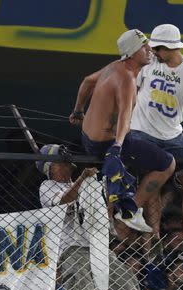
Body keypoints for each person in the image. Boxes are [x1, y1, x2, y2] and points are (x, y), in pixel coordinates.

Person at [38, 144, 153, 290]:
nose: (66, 165)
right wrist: (82, 181)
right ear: (50, 167)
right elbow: (62, 203)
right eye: (60, 162)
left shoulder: (88, 184)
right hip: (72, 247)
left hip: (99, 245)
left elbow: (104, 212)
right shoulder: (48, 186)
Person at [70, 29, 176, 234]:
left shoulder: (113, 67)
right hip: (106, 143)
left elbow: (87, 81)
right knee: (167, 163)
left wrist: (78, 110)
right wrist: (117, 146)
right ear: (132, 53)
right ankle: (129, 210)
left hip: (88, 138)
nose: (149, 50)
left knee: (135, 148)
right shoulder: (127, 79)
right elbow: (125, 116)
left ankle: (110, 212)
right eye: (144, 47)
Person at [129, 24, 183, 239]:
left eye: (158, 48)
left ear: (171, 47)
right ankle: (153, 234)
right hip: (142, 131)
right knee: (156, 174)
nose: (154, 52)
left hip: (172, 135)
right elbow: (132, 91)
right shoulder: (148, 62)